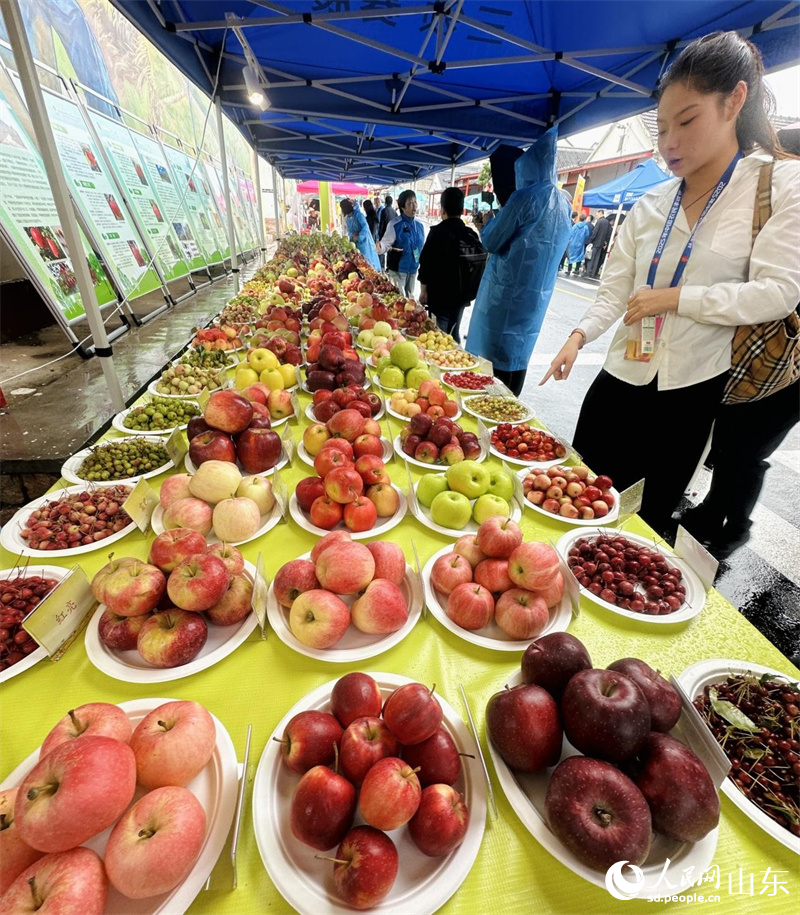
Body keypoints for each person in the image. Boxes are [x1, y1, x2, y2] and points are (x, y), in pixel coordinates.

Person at [541, 31, 800, 540]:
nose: (670, 143)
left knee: (645, 526)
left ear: (735, 102)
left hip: (691, 392)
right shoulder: (651, 204)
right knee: (576, 501)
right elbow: (615, 291)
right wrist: (578, 337)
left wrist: (677, 299)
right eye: (661, 128)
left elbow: (778, 291)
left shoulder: (776, 185)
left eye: (687, 121)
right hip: (620, 380)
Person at [680, 124, 800, 559]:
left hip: (786, 365)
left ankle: (736, 526)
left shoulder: (792, 205)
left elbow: (775, 292)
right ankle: (714, 510)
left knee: (747, 451)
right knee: (731, 442)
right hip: (757, 356)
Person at [466, 133, 571, 396]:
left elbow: (491, 240)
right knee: (517, 361)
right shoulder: (564, 202)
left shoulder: (524, 198)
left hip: (504, 298)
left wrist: (485, 224)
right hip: (534, 301)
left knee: (492, 373)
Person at [417, 186, 485, 344]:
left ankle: (445, 362)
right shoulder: (470, 234)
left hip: (439, 296)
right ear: (462, 209)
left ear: (442, 209)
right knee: (454, 330)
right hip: (462, 296)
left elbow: (426, 263)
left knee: (437, 336)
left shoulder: (437, 233)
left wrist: (423, 291)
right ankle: (456, 360)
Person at [377, 190, 425, 297]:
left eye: (415, 202)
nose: (414, 206)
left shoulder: (419, 226)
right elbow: (386, 243)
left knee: (410, 298)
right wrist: (380, 247)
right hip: (398, 270)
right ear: (402, 207)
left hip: (413, 269)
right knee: (399, 299)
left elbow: (421, 247)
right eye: (409, 203)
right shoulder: (395, 224)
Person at [339, 198, 380, 271]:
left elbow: (365, 227)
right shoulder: (347, 218)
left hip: (365, 242)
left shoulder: (359, 215)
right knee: (360, 262)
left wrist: (359, 237)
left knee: (369, 262)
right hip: (356, 244)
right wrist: (352, 237)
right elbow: (350, 231)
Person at [585, 209, 612, 278]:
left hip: (595, 242)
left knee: (591, 258)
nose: (596, 216)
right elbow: (608, 234)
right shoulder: (607, 223)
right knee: (596, 259)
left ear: (600, 213)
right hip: (601, 243)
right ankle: (593, 273)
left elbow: (595, 232)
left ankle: (588, 272)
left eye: (597, 215)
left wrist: (590, 241)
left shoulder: (599, 222)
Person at [377, 194, 396, 270]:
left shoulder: (384, 211)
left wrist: (380, 235)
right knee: (390, 250)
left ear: (385, 202)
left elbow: (382, 224)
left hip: (385, 233)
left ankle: (381, 266)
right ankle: (388, 267)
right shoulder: (394, 212)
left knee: (382, 250)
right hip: (393, 235)